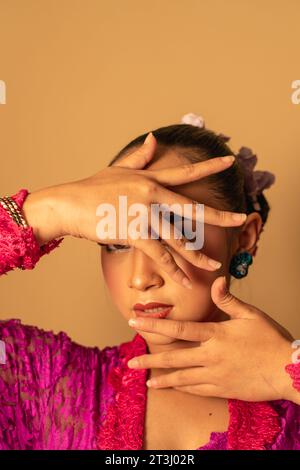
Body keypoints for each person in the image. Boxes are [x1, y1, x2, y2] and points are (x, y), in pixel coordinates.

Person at [0, 114, 299, 450]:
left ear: (243, 237)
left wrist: (286, 370)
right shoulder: (44, 385)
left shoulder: (290, 404)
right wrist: (48, 212)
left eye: (179, 232)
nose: (142, 277)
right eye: (117, 241)